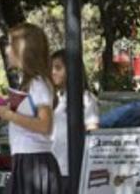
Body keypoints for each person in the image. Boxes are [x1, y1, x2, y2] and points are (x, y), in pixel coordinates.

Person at [0, 23, 62, 194]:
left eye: (10, 44)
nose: (7, 50)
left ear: (22, 48)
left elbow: (44, 125)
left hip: (33, 161)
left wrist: (9, 115)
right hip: (26, 160)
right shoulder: (31, 82)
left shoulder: (37, 83)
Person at [50, 49, 99, 192]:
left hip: (72, 169)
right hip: (52, 168)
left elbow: (92, 133)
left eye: (58, 68)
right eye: (51, 68)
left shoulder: (86, 99)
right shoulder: (53, 98)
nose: (53, 72)